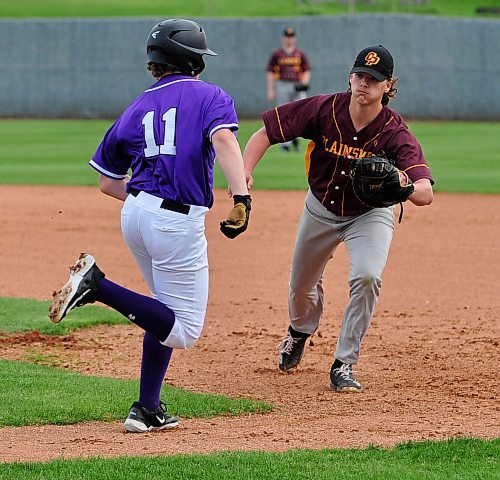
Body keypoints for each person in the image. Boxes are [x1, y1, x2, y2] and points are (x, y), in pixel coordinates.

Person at [49, 18, 251, 432]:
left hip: (136, 215)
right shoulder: (211, 96)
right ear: (194, 59)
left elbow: (108, 181)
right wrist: (241, 196)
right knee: (185, 331)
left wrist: (145, 201)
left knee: (162, 311)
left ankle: (146, 409)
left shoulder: (138, 105)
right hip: (175, 222)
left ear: (155, 62)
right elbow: (226, 141)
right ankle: (97, 286)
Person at [244, 45, 433, 392]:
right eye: (360, 75)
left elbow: (425, 191)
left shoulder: (394, 132)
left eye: (374, 80)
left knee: (367, 277)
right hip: (320, 208)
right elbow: (265, 134)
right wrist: (244, 173)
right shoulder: (322, 108)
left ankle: (344, 362)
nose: (364, 83)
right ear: (350, 77)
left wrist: (403, 189)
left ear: (388, 86)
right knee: (301, 286)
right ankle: (299, 331)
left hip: (369, 215)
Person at [266, 27, 311, 152]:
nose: (289, 38)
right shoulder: (277, 54)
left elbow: (306, 69)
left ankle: (295, 138)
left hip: (297, 84)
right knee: (283, 114)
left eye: (291, 36)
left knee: (300, 113)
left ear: (294, 38)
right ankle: (285, 144)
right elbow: (270, 72)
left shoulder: (300, 54)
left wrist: (304, 83)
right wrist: (270, 89)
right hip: (282, 84)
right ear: (283, 38)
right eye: (287, 36)